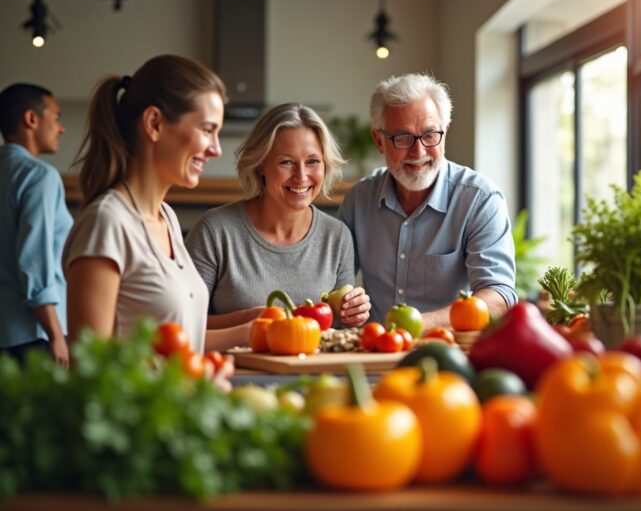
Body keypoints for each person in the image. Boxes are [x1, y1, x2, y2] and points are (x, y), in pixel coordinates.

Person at [63, 55, 247, 360]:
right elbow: (91, 370)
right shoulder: (106, 223)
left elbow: (176, 336)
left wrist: (249, 331)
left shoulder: (167, 218)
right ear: (154, 123)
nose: (216, 149)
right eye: (206, 129)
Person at [339, 73, 517, 330]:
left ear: (445, 134)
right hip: (375, 353)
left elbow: (498, 298)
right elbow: (335, 285)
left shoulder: (480, 199)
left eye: (430, 135)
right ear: (379, 141)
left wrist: (414, 326)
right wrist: (348, 306)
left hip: (451, 354)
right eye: (402, 138)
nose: (419, 152)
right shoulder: (359, 200)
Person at [185, 103, 371, 329]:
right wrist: (255, 320)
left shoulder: (338, 236)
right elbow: (185, 322)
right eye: (286, 162)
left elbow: (339, 331)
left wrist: (353, 313)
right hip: (232, 364)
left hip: (314, 365)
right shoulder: (214, 230)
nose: (301, 176)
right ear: (261, 164)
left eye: (313, 161)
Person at [0, 83, 72, 367]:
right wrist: (56, 335)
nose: (61, 128)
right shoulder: (40, 176)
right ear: (31, 119)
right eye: (56, 117)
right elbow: (34, 262)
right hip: (33, 336)